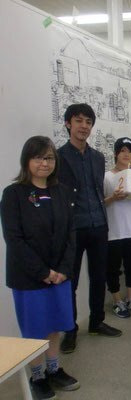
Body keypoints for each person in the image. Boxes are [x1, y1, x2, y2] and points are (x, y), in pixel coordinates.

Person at [1, 136, 80, 400]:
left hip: (60, 275)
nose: (44, 163)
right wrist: (43, 272)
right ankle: (37, 376)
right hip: (29, 277)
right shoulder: (13, 194)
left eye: (49, 158)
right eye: (38, 157)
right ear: (26, 160)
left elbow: (71, 234)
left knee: (55, 324)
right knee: (34, 329)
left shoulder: (62, 191)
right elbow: (14, 239)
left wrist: (63, 269)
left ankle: (54, 369)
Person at [58, 103, 121, 354]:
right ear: (68, 124)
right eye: (78, 121)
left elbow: (97, 191)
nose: (84, 126)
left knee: (98, 277)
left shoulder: (97, 157)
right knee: (70, 282)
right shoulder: (58, 157)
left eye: (88, 122)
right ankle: (70, 330)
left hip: (98, 225)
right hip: (73, 229)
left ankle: (96, 322)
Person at [104, 137, 131, 318]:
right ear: (116, 154)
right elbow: (100, 204)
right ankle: (117, 301)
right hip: (114, 230)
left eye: (129, 151)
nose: (127, 154)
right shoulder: (107, 176)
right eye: (123, 151)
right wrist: (113, 197)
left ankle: (130, 298)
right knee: (113, 268)